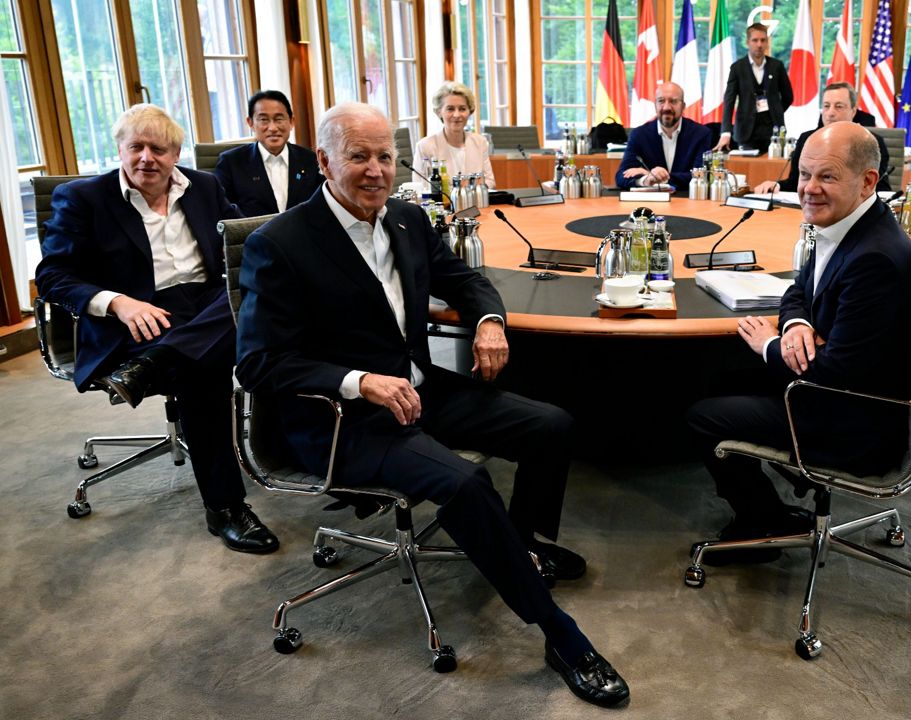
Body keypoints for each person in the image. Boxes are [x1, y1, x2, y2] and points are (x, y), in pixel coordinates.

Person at [235, 102, 628, 707]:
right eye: (359, 157)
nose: (376, 171)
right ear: (323, 162)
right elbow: (258, 362)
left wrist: (490, 322)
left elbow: (464, 280)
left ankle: (521, 546)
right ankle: (559, 634)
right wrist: (359, 380)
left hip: (420, 391)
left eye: (385, 157)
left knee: (552, 425)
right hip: (346, 420)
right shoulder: (280, 244)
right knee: (469, 484)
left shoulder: (406, 220)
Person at [36, 104, 279, 554]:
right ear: (120, 150)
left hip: (205, 307)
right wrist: (118, 302)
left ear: (176, 153)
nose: (147, 158)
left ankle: (155, 366)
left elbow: (239, 243)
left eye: (159, 149)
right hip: (135, 314)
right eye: (136, 147)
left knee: (263, 307)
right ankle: (225, 507)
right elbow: (53, 276)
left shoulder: (204, 186)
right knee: (204, 374)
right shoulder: (84, 198)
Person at [687, 123, 911, 563]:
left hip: (854, 422)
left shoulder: (874, 259)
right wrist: (798, 324)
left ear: (867, 181)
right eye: (804, 174)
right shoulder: (852, 224)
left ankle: (760, 524)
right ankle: (768, 512)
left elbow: (829, 378)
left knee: (706, 415)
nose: (809, 189)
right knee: (710, 377)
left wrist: (769, 344)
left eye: (827, 177)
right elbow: (798, 288)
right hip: (847, 391)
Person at [752, 82, 891, 194]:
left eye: (839, 107)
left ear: (853, 111)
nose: (830, 113)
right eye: (826, 106)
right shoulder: (807, 139)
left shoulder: (872, 142)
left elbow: (880, 189)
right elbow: (795, 183)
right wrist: (776, 185)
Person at [213, 90, 323, 217]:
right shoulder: (231, 162)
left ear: (291, 121)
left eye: (279, 119)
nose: (273, 128)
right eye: (264, 120)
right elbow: (222, 209)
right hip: (252, 235)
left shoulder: (309, 159)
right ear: (251, 123)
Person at [615, 82, 716, 191]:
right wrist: (645, 179)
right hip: (652, 203)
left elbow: (702, 176)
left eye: (673, 101)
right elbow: (621, 177)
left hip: (688, 202)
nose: (667, 107)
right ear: (655, 105)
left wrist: (653, 175)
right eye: (661, 101)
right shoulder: (639, 135)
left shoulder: (701, 134)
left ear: (683, 106)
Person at [714, 23, 793, 153]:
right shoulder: (737, 68)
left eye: (763, 40)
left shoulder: (777, 66)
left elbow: (788, 96)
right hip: (746, 132)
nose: (759, 44)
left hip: (773, 131)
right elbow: (729, 101)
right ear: (748, 42)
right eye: (755, 40)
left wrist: (775, 110)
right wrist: (725, 132)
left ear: (767, 42)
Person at [415, 81, 496, 189]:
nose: (457, 115)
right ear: (439, 112)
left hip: (476, 203)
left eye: (462, 109)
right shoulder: (425, 146)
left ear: (470, 111)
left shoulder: (480, 142)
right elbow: (420, 186)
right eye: (450, 109)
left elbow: (490, 182)